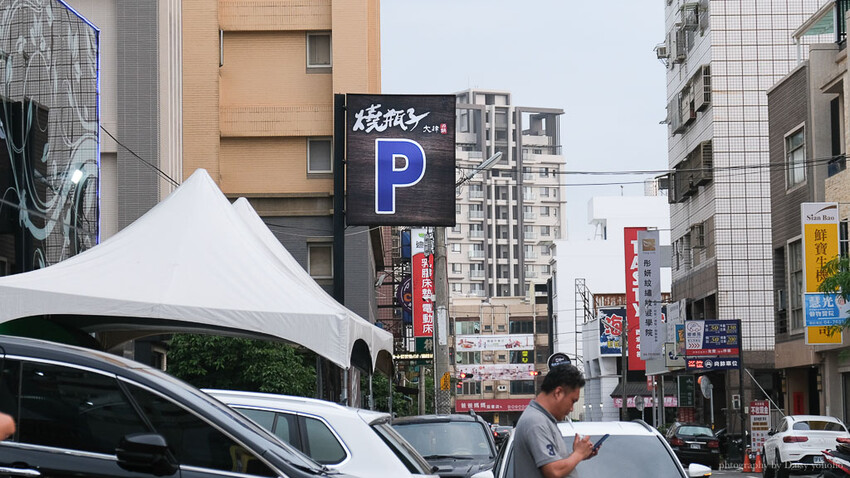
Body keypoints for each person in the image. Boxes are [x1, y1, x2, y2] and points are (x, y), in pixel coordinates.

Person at [512, 365, 595, 478]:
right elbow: (553, 471)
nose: (572, 409)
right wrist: (578, 454)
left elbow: (554, 465)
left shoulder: (544, 419)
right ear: (558, 393)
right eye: (573, 401)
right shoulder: (536, 421)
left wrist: (578, 454)